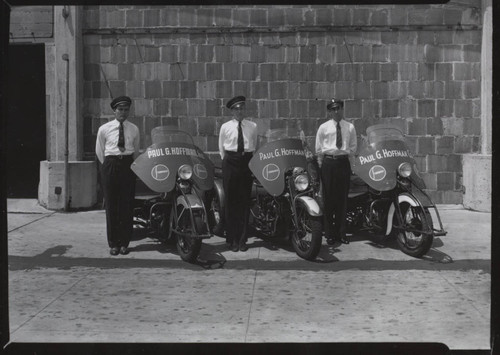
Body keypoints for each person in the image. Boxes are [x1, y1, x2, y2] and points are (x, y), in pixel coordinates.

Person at [95, 96, 140, 256]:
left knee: (126, 205)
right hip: (111, 165)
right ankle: (113, 243)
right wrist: (109, 165)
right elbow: (100, 151)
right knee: (112, 204)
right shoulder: (104, 129)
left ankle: (124, 243)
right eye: (120, 109)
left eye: (126, 109)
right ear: (114, 111)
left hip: (127, 165)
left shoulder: (134, 129)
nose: (123, 112)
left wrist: (129, 166)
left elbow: (136, 149)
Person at [218, 95, 257, 252]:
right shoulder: (225, 127)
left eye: (242, 108)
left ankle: (242, 239)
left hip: (246, 162)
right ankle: (232, 238)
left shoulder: (252, 126)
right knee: (231, 201)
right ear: (232, 111)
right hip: (231, 162)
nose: (240, 111)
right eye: (237, 109)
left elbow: (254, 145)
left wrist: (246, 159)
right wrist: (228, 160)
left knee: (244, 201)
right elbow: (221, 147)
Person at [315, 98, 357, 245]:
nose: (336, 111)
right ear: (329, 112)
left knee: (342, 200)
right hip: (328, 164)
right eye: (333, 109)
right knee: (328, 199)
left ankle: (341, 233)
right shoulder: (323, 128)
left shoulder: (350, 127)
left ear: (342, 109)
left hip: (343, 163)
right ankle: (329, 233)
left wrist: (351, 167)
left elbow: (352, 148)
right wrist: (321, 168)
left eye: (338, 108)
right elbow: (319, 149)